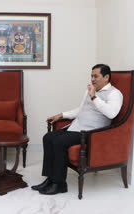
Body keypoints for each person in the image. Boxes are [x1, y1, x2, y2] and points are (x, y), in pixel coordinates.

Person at [31, 64, 123, 195]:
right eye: (91, 76)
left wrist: (94, 97)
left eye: (96, 76)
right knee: (48, 137)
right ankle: (50, 179)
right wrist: (61, 115)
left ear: (106, 77)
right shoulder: (91, 90)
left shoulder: (114, 93)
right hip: (76, 126)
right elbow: (80, 110)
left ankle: (59, 184)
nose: (92, 79)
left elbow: (112, 114)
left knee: (59, 142)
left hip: (91, 133)